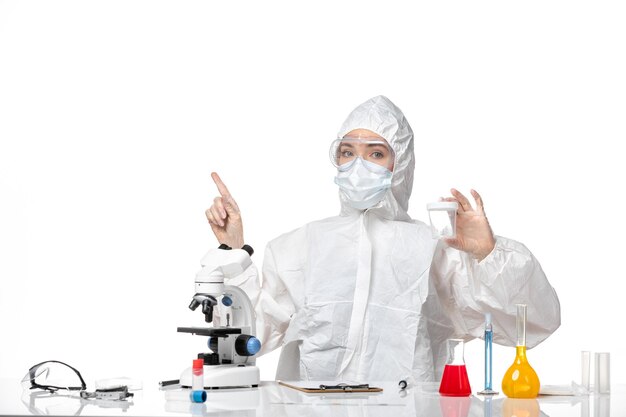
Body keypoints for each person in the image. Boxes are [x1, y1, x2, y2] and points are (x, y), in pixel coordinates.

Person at [205, 95, 560, 382]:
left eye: (376, 154)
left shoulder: (435, 251)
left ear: (401, 164)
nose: (358, 166)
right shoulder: (299, 247)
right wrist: (232, 251)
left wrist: (488, 254)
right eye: (347, 152)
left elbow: (528, 326)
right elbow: (249, 338)